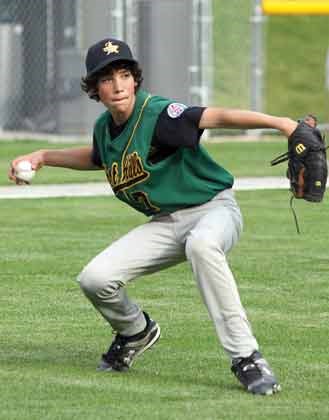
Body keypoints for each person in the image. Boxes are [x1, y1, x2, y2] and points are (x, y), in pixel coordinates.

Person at [9, 38, 298, 395]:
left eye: (125, 74)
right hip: (166, 223)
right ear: (93, 88)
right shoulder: (105, 127)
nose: (117, 85)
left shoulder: (159, 115)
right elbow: (100, 157)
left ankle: (246, 356)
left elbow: (216, 116)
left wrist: (282, 123)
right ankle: (135, 331)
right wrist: (43, 156)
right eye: (107, 78)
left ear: (135, 79)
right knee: (95, 279)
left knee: (202, 245)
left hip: (214, 209)